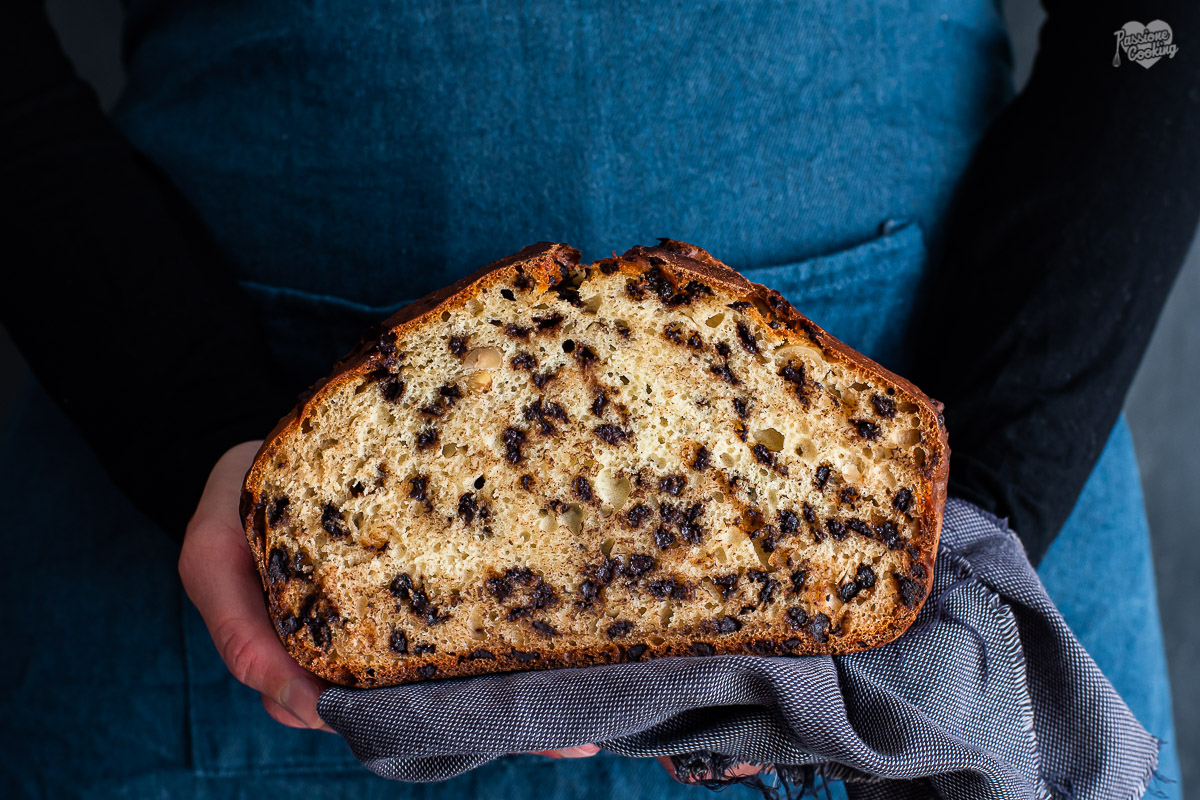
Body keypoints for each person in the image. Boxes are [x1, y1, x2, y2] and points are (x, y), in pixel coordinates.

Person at [1, 0, 1195, 796]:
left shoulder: (938, 525)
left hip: (953, 468)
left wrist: (974, 511)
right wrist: (184, 417)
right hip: (207, 483)